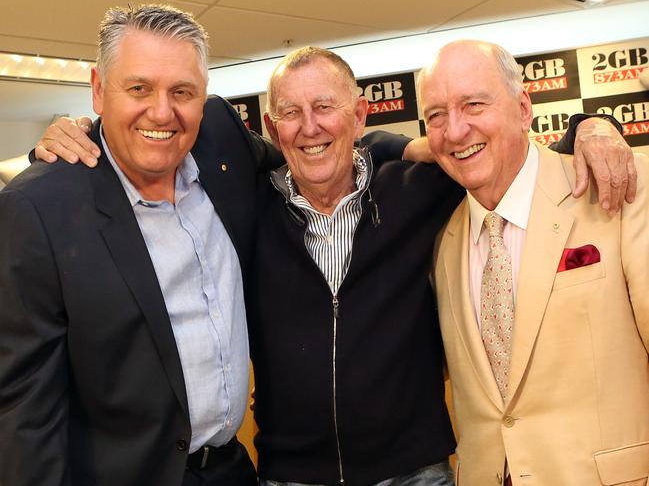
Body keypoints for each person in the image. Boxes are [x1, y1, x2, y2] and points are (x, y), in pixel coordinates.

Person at [25, 46, 634, 486]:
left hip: (415, 474)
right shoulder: (242, 207)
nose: (310, 127)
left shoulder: (421, 190)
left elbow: (502, 153)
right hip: (291, 477)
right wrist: (77, 132)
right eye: (290, 112)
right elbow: (137, 144)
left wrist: (592, 125)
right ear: (271, 127)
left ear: (361, 117)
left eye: (326, 107)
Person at [0, 5, 268, 486]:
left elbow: (312, 155)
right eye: (139, 88)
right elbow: (23, 412)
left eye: (182, 92)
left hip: (231, 471)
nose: (162, 112)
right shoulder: (38, 210)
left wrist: (412, 150)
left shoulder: (222, 138)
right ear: (99, 90)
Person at [421, 40, 649, 486]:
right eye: (436, 116)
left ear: (524, 108)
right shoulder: (442, 239)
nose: (455, 130)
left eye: (474, 104)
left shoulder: (618, 189)